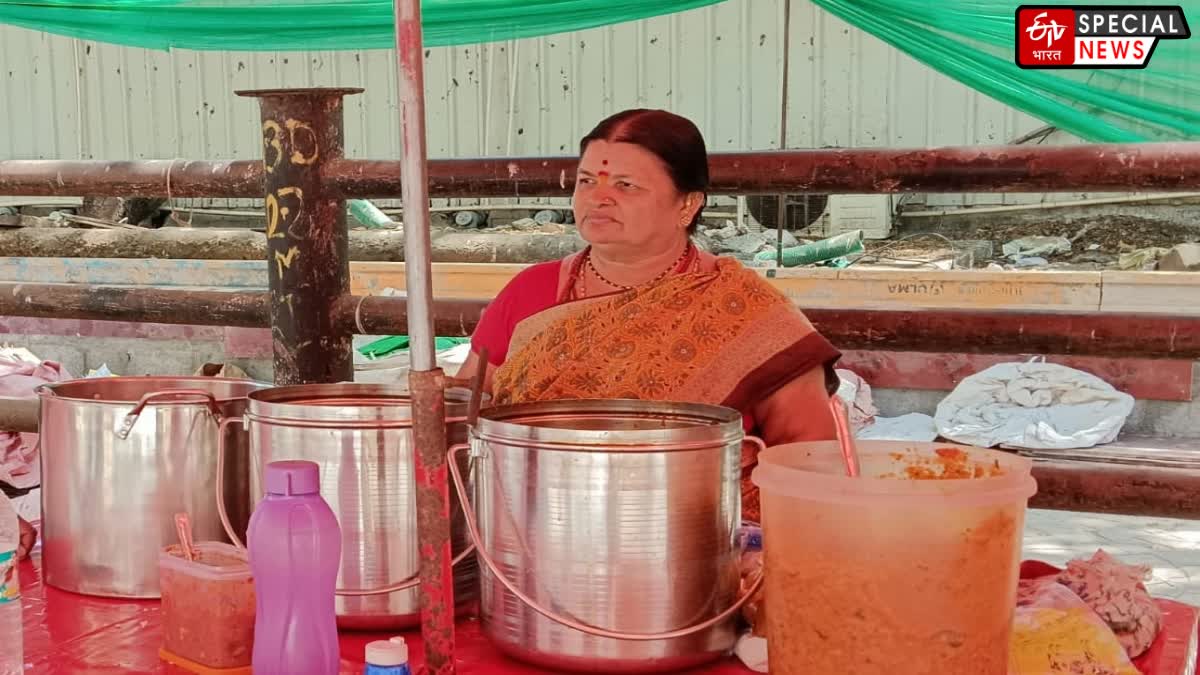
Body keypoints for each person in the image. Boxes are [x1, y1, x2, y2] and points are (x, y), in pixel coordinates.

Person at [457, 109, 840, 521]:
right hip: (537, 537)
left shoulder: (748, 310)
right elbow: (469, 406)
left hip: (698, 547)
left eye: (626, 185)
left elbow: (810, 453)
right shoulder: (529, 291)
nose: (598, 198)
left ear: (688, 205)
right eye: (586, 181)